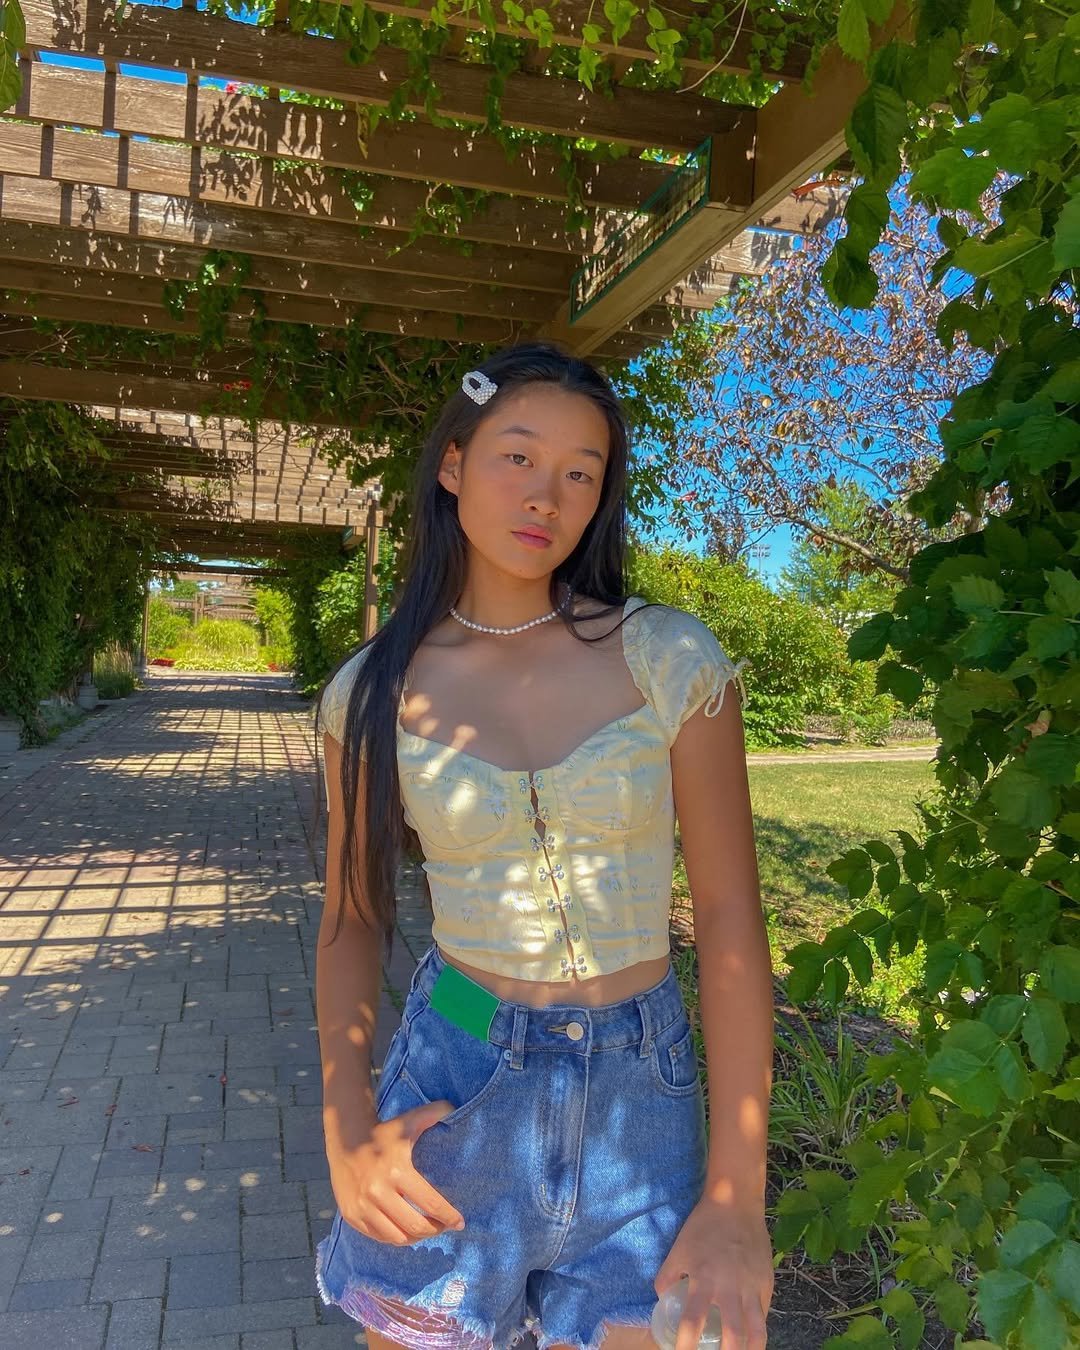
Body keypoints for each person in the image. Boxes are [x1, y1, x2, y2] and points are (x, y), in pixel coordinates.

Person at [311, 341, 774, 1350]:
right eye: (517, 456)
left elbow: (731, 919)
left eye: (580, 472)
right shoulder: (371, 692)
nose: (545, 495)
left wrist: (738, 1196)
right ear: (453, 464)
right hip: (454, 1067)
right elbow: (352, 918)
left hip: (641, 1103)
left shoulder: (668, 660)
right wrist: (345, 1129)